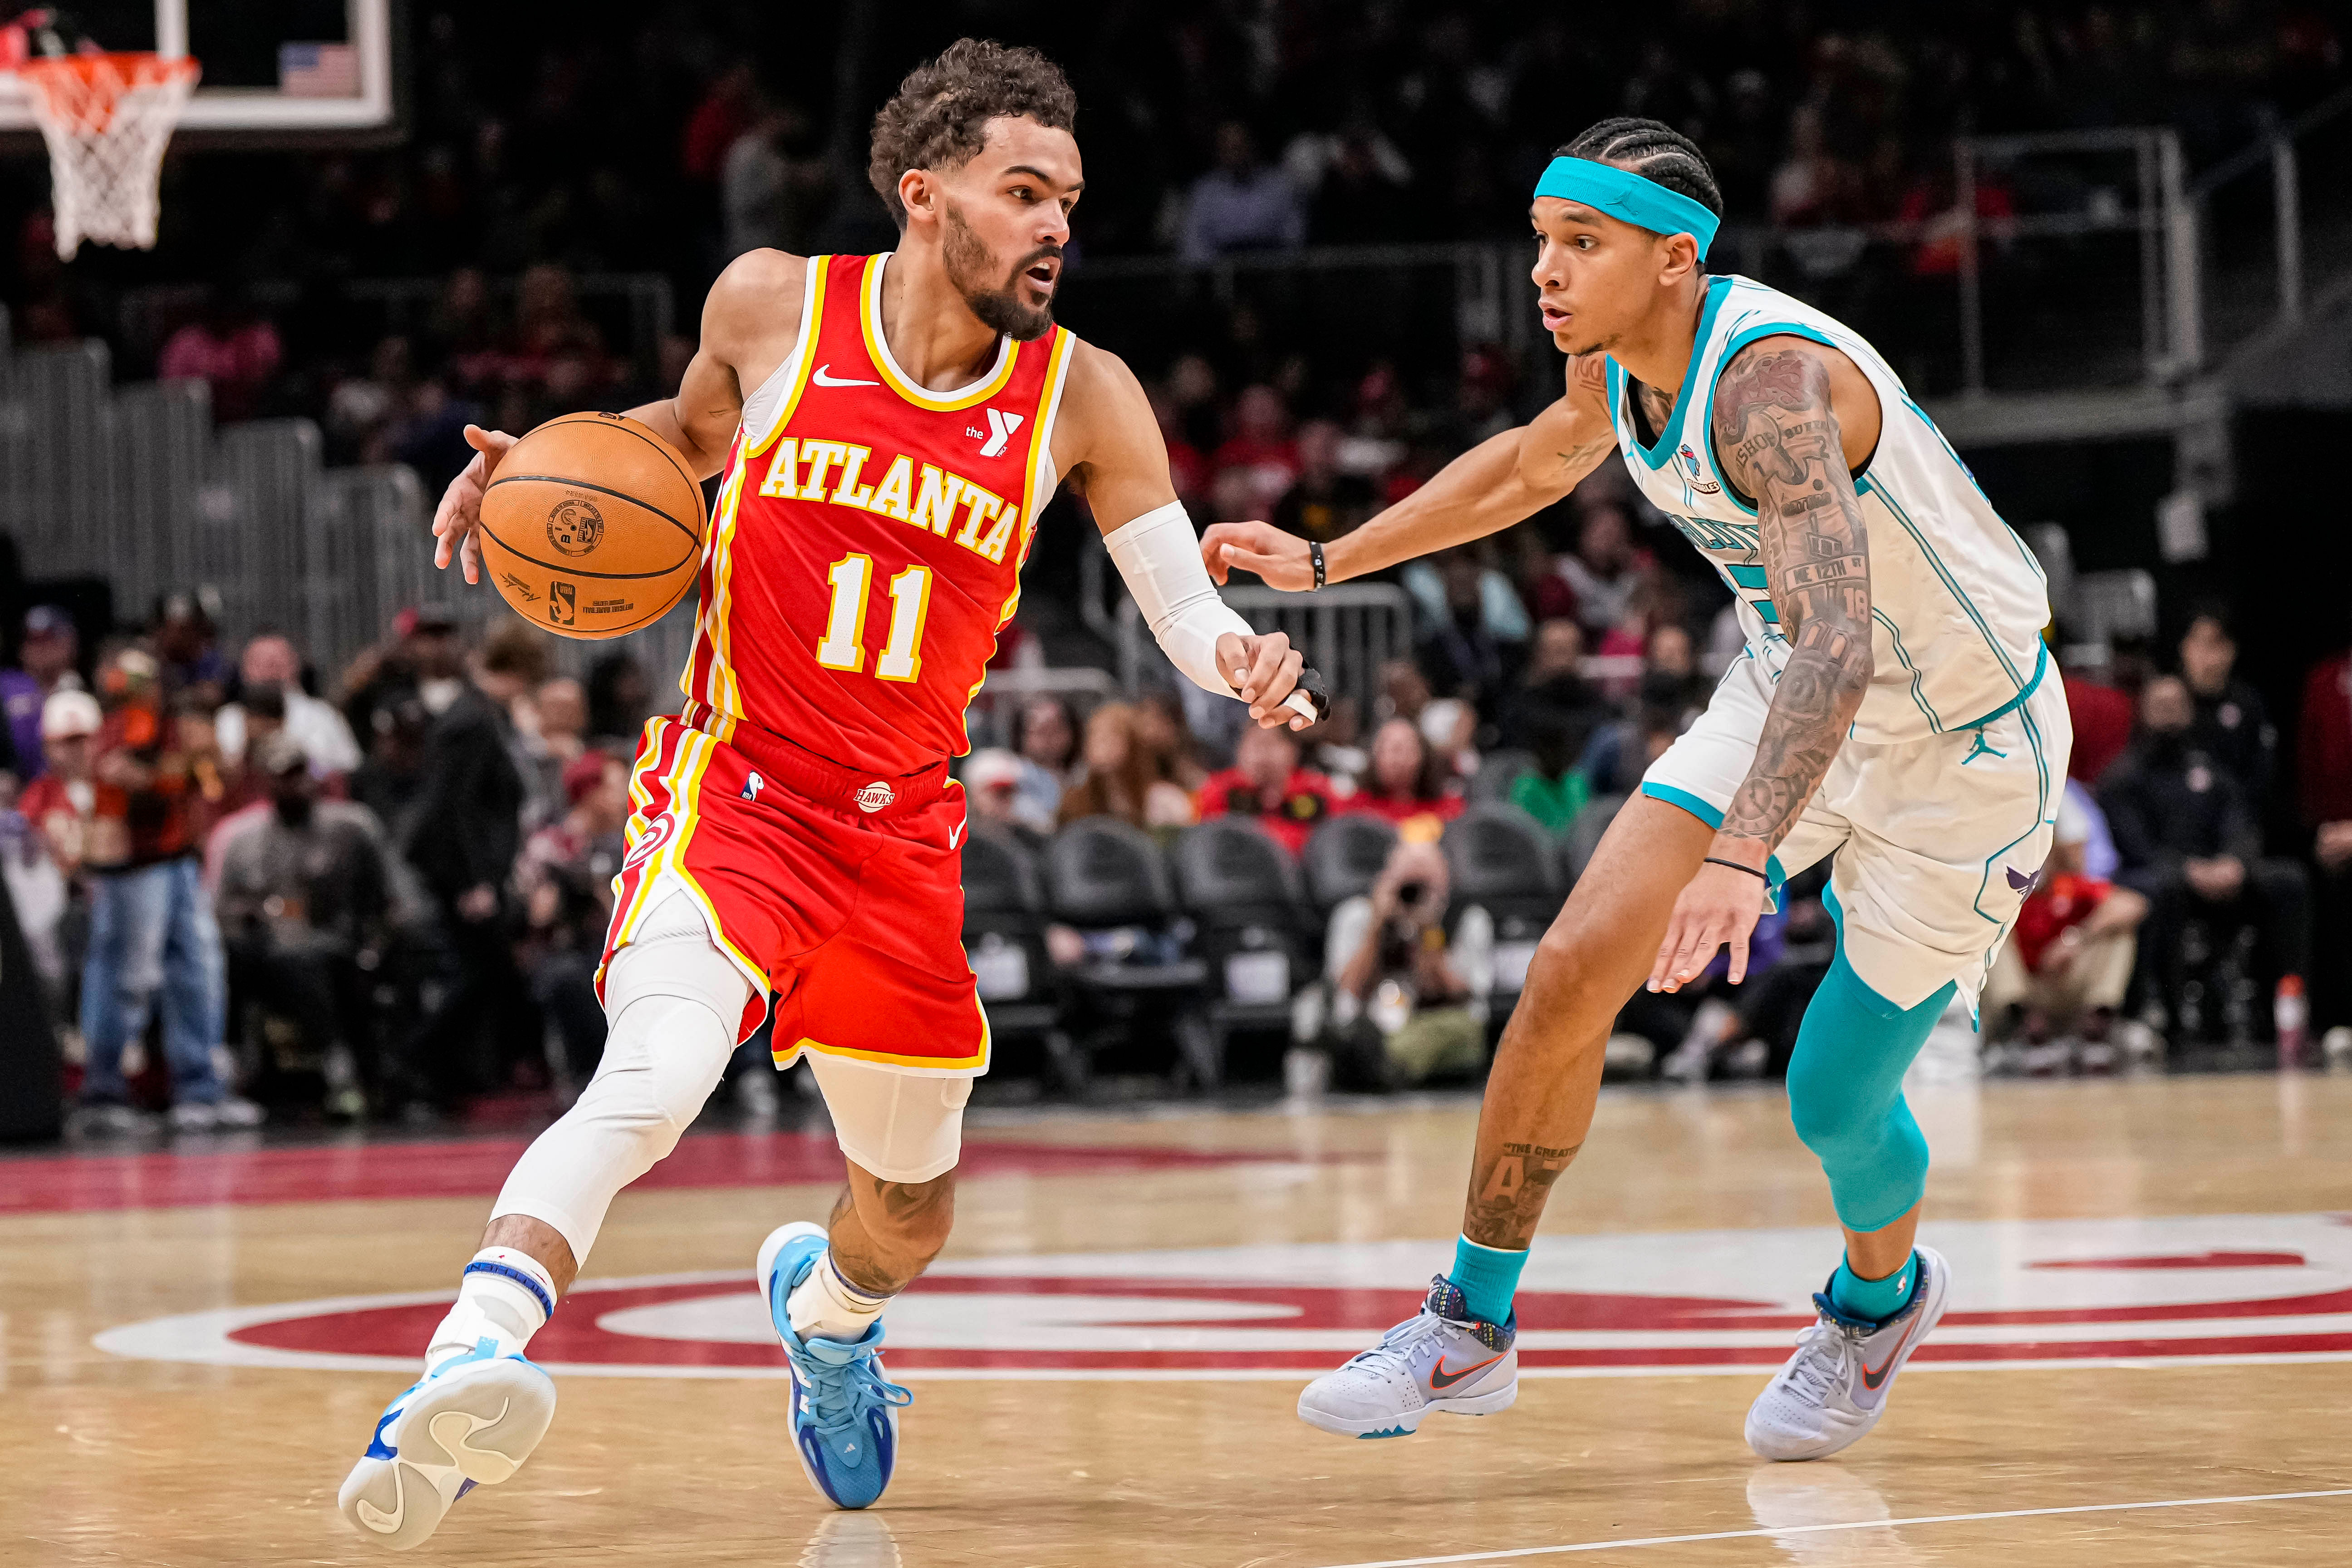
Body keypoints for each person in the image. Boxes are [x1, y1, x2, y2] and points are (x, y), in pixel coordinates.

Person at [339, 39, 1317, 1547]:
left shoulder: (1082, 396)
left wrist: (1239, 654)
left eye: (1068, 197)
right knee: (654, 1079)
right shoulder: (774, 302)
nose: (1058, 223)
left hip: (902, 837)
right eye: (1024, 192)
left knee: (911, 1211)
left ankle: (831, 1317)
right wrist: (539, 465)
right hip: (733, 788)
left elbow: (1179, 600)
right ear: (926, 198)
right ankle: (461, 1367)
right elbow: (682, 440)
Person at [1205, 118, 2065, 1460]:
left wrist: (1739, 856)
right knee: (1565, 969)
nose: (1544, 273)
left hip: (1959, 742)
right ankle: (1465, 1325)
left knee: (1829, 1099)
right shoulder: (1612, 366)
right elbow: (1531, 463)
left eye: (1580, 244)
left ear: (1673, 261)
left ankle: (1875, 1301)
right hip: (1786, 684)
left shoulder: (1766, 384)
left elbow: (1844, 636)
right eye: (1541, 241)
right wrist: (1326, 561)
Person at [77, 650, 260, 1135]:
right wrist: (183, 766)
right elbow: (130, 778)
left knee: (197, 972)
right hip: (132, 867)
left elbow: (216, 784)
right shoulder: (120, 726)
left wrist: (204, 757)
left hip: (177, 860)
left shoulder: (176, 724)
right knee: (126, 976)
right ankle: (102, 1092)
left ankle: (200, 1089)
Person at [2100, 675, 2308, 1043]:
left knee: (2288, 880)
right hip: (2161, 877)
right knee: (2157, 889)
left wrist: (2235, 862)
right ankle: (2164, 1013)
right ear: (2143, 712)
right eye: (2160, 706)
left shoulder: (2211, 770)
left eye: (2176, 706)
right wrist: (2187, 869)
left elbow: (2240, 822)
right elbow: (2135, 846)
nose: (2169, 715)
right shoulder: (2123, 778)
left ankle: (2287, 1005)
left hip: (2221, 875)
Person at [214, 734, 395, 1115]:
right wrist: (258, 913)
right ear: (266, 782)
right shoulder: (245, 842)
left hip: (337, 944)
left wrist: (376, 941)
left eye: (300, 774)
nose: (295, 784)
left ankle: (350, 1070)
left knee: (310, 960)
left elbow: (389, 896)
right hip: (270, 954)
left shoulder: (350, 827)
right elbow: (224, 909)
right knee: (236, 956)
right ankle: (236, 1068)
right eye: (283, 776)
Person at [401, 624, 540, 1105]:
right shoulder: (473, 721)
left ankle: (444, 1073)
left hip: (474, 872)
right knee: (476, 976)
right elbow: (453, 807)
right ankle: (413, 1062)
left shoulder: (480, 713)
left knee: (483, 975)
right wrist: (474, 880)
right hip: (465, 876)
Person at [1982, 788, 2150, 1069]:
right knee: (1987, 934)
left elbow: (2134, 905)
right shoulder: (2001, 891)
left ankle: (2096, 1029)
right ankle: (2020, 1031)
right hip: (2029, 992)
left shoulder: (2071, 888)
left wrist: (2077, 938)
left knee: (2118, 933)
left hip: (2066, 986)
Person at [1320, 836, 1492, 1088]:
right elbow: (1347, 990)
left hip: (1432, 1025)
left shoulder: (1467, 918)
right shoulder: (1357, 915)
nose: (1414, 894)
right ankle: (1389, 1063)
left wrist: (1428, 933)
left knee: (1462, 1031)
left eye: (1425, 884)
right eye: (1408, 884)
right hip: (1372, 1023)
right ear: (1386, 878)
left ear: (1445, 881)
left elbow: (1459, 994)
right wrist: (1377, 927)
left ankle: (1388, 1065)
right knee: (1355, 1035)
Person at [215, 633, 363, 778]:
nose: (269, 671)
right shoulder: (228, 719)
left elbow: (351, 767)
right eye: (260, 663)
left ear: (296, 666)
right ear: (244, 670)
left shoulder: (324, 715)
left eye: (277, 662)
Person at [2177, 606, 2274, 803]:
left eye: (2214, 645)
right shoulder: (2169, 704)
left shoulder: (2249, 705)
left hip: (2235, 821)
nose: (2206, 658)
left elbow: (2262, 774)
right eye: (2198, 644)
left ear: (2231, 651)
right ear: (2184, 648)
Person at [1198, 722, 1333, 856]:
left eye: (1270, 744)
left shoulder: (1316, 791)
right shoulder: (1222, 790)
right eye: (1256, 745)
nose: (1262, 754)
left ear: (1294, 749)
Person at [1350, 716, 1462, 828]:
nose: (1399, 760)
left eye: (1408, 749)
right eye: (1393, 749)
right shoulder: (1356, 809)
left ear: (1423, 756)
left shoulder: (1447, 809)